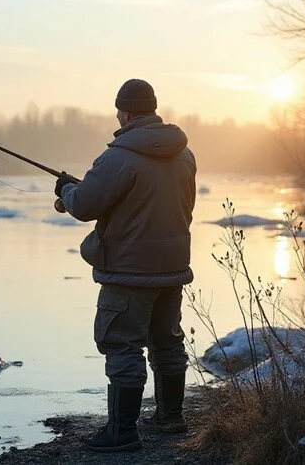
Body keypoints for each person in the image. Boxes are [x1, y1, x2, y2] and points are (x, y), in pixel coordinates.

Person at [54, 79, 196, 453]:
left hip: (129, 271)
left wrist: (65, 190)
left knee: (121, 343)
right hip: (172, 266)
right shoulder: (184, 155)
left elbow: (84, 205)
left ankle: (122, 432)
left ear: (126, 111)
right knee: (167, 341)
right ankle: (170, 418)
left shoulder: (118, 157)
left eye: (119, 110)